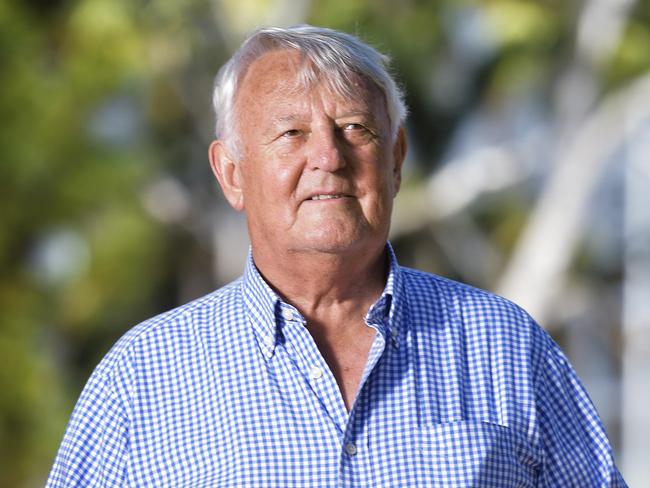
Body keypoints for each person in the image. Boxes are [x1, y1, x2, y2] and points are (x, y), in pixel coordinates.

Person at [47, 25, 627, 487]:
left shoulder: (504, 346)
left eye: (355, 128)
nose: (329, 156)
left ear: (396, 159)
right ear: (231, 173)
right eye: (291, 134)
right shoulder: (143, 378)